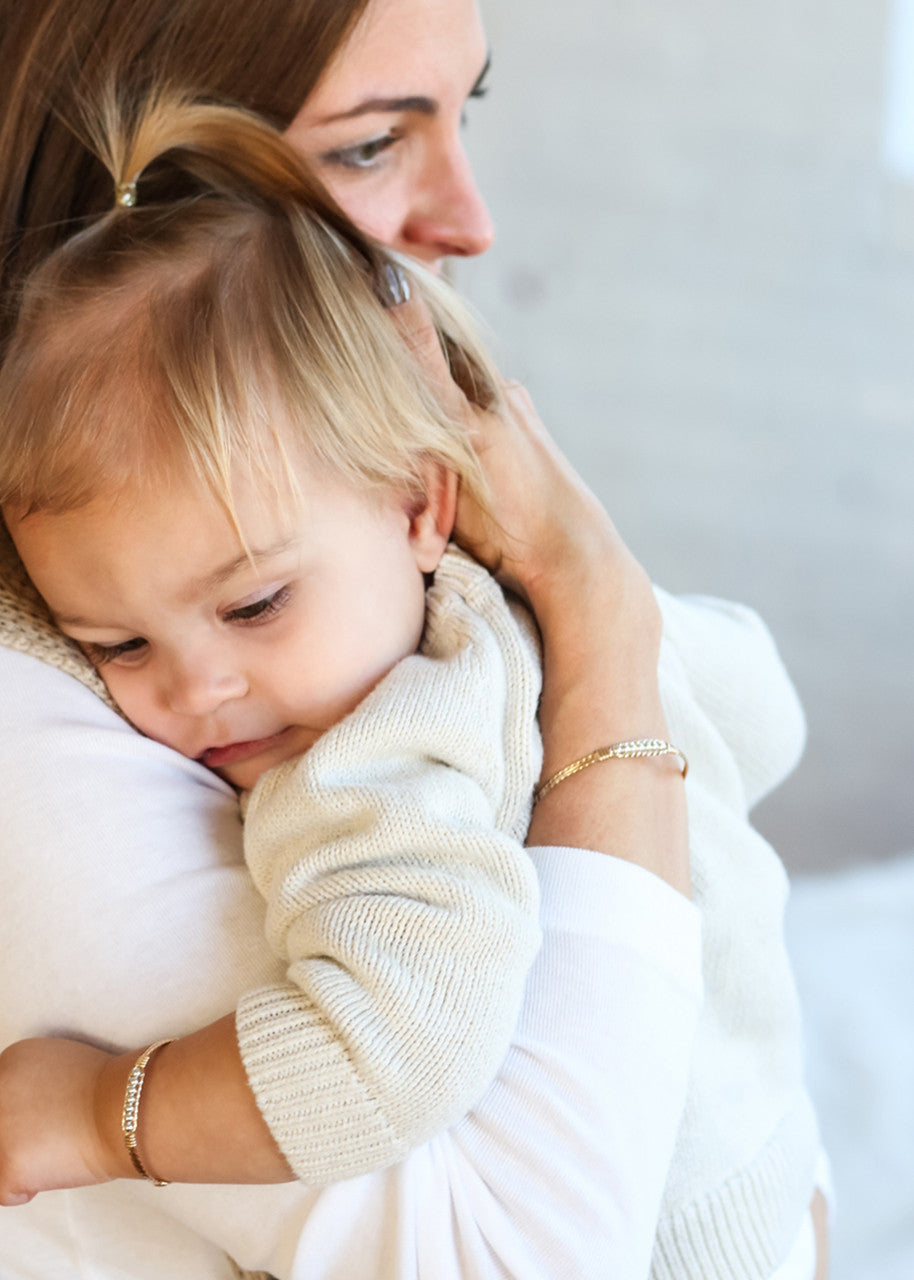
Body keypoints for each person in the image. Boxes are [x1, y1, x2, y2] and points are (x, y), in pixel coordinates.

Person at [0, 86, 827, 1280]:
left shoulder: (372, 766)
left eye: (253, 604)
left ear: (416, 504)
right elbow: (760, 709)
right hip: (770, 1164)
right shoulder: (538, 606)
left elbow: (378, 1056)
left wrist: (94, 1111)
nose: (197, 693)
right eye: (116, 645)